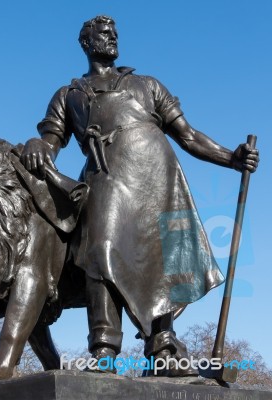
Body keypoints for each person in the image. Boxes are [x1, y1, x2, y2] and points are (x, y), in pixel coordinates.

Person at [20, 15, 259, 376]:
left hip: (158, 178)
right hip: (105, 178)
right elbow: (52, 141)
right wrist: (38, 143)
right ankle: (103, 350)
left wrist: (231, 157)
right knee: (98, 252)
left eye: (115, 33)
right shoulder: (69, 95)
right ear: (86, 44)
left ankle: (162, 348)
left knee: (162, 257)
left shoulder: (146, 85)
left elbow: (188, 136)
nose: (112, 37)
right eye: (103, 33)